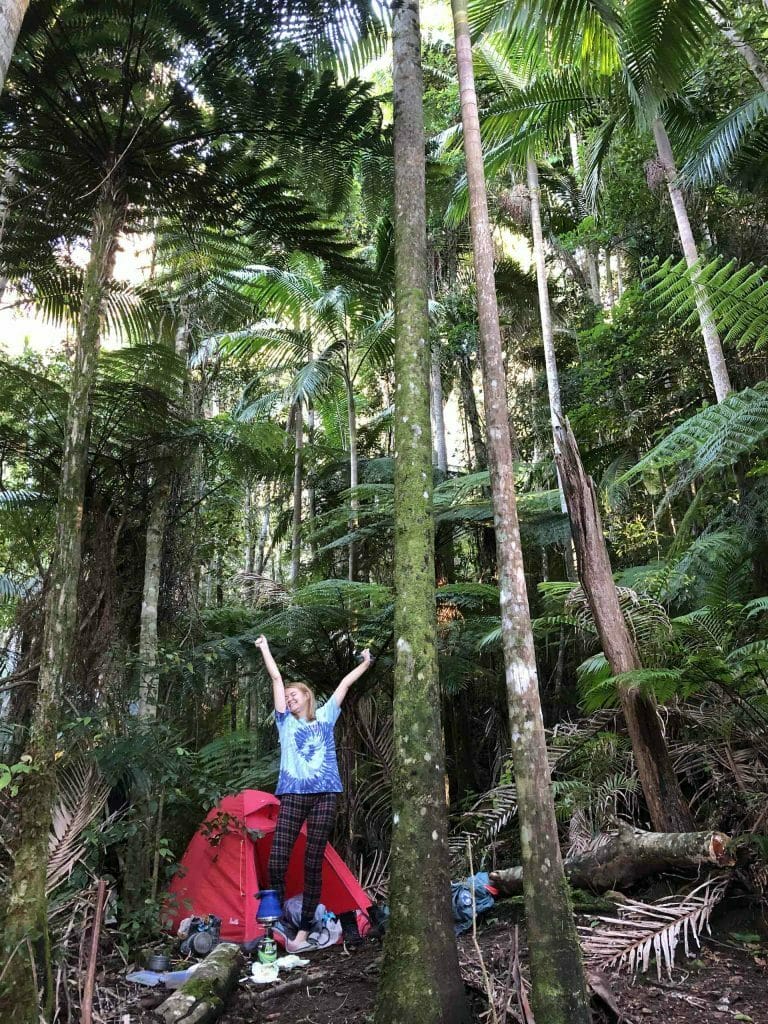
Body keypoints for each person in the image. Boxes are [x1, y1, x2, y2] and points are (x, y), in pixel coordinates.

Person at [254, 634, 372, 953]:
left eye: (294, 696)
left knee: (312, 862)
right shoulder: (284, 723)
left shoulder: (326, 716)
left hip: (324, 795)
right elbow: (276, 677)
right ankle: (276, 919)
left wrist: (366, 663)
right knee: (278, 858)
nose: (289, 700)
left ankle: (304, 931)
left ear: (307, 696)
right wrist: (266, 647)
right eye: (287, 698)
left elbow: (344, 685)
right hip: (292, 794)